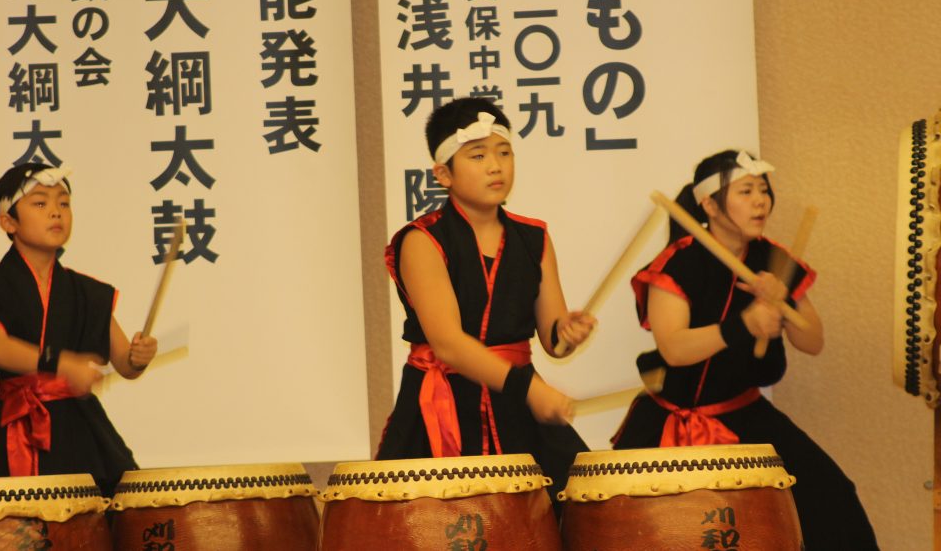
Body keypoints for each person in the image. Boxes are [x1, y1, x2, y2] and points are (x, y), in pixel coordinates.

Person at [612, 149, 877, 550]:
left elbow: (813, 341)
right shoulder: (677, 263)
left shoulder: (771, 259)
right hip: (672, 422)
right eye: (746, 190)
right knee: (652, 530)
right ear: (709, 204)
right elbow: (674, 349)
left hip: (744, 413)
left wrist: (784, 302)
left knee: (831, 498)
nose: (760, 201)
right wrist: (744, 324)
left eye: (764, 191)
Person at [376, 97, 596, 498]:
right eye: (478, 156)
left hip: (515, 408)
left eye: (504, 152)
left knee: (571, 515)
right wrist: (530, 389)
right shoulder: (422, 240)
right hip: (443, 405)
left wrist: (567, 331)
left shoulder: (534, 238)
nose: (496, 166)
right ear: (444, 173)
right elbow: (448, 344)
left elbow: (552, 341)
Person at [0, 163, 157, 497]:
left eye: (63, 203)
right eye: (40, 203)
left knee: (97, 527)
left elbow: (124, 364)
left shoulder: (87, 291)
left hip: (81, 426)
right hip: (20, 427)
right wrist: (61, 363)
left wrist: (139, 357)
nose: (56, 213)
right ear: (8, 222)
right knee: (19, 530)